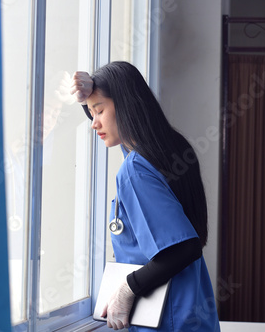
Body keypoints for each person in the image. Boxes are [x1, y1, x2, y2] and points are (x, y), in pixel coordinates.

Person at [70, 61, 220, 331]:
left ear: (125, 106)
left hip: (167, 320)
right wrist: (88, 100)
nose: (94, 123)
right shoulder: (171, 148)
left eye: (99, 110)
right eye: (92, 113)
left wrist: (126, 290)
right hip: (193, 315)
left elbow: (184, 248)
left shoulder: (136, 169)